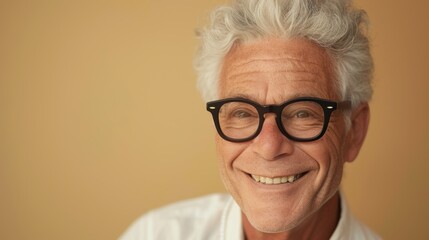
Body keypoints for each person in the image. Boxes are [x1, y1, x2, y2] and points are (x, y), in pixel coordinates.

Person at [120, 0, 380, 239]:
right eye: (242, 112)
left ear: (354, 131)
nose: (269, 147)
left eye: (302, 113)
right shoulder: (153, 234)